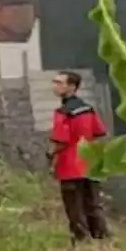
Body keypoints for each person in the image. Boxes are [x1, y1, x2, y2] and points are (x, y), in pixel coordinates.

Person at [49, 71, 110, 242]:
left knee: (75, 207)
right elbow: (99, 132)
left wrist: (50, 155)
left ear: (71, 87)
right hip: (90, 163)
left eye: (59, 82)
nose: (55, 86)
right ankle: (102, 238)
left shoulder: (62, 113)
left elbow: (60, 141)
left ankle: (82, 240)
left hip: (70, 166)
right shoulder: (88, 110)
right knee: (93, 204)